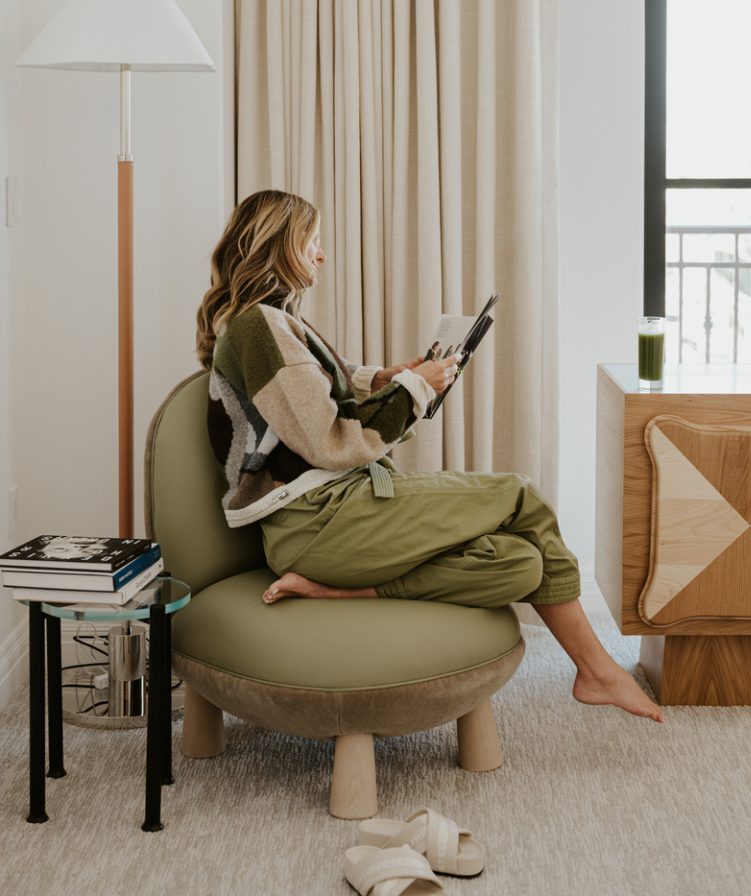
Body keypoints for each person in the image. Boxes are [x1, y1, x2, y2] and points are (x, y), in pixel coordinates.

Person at [196, 190, 663, 723]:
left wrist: (392, 376)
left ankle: (342, 593)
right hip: (319, 521)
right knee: (519, 493)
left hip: (332, 524)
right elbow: (329, 442)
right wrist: (415, 388)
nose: (321, 256)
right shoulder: (260, 327)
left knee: (520, 562)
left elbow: (328, 382)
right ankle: (598, 671)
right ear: (280, 246)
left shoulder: (274, 322)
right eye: (313, 242)